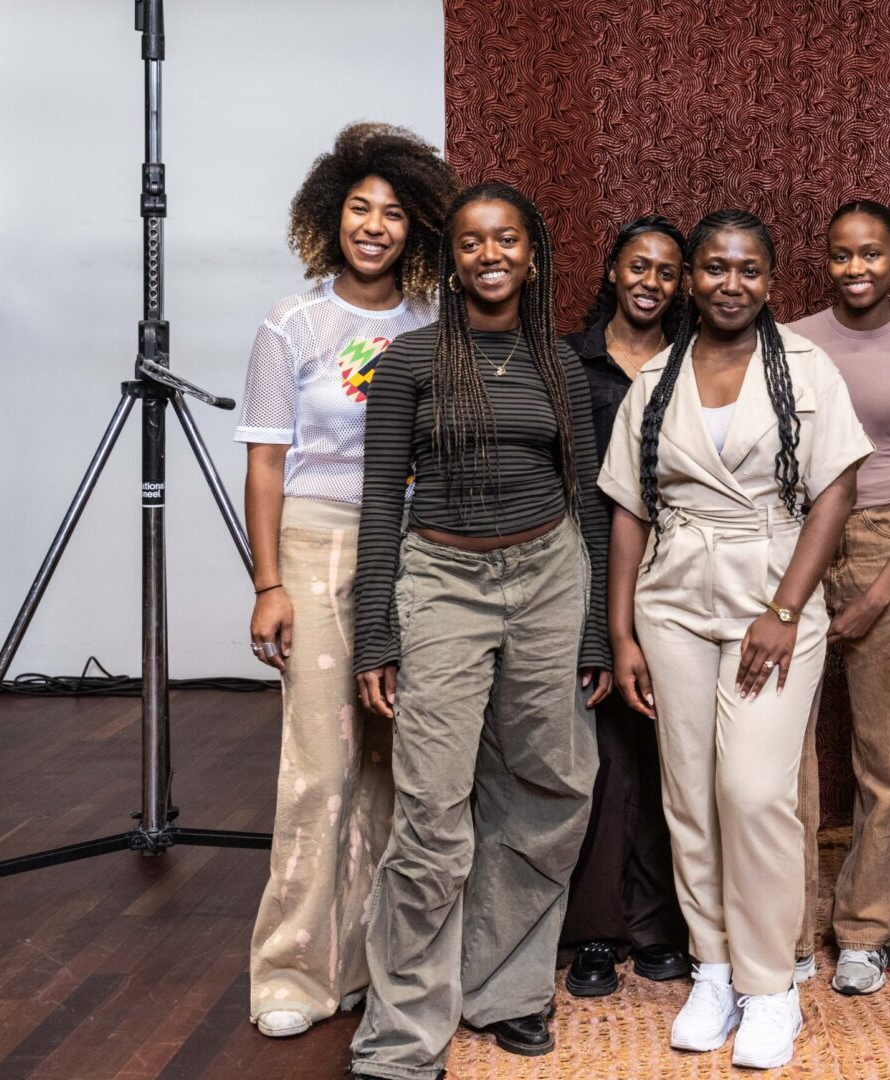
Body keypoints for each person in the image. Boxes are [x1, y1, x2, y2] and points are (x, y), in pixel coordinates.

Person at [347, 181, 610, 1078]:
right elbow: (381, 501)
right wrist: (375, 634)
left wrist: (594, 632)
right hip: (442, 581)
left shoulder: (558, 363)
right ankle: (401, 1035)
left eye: (506, 240)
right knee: (431, 807)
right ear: (451, 260)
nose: (489, 254)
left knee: (548, 785)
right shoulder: (411, 361)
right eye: (471, 242)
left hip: (548, 575)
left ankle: (505, 987)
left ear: (531, 257)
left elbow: (587, 501)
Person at [602, 209, 874, 1070]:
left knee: (753, 792)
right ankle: (713, 971)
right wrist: (621, 631)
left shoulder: (806, 367)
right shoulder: (658, 377)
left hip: (772, 587)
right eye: (714, 268)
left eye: (748, 269)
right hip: (674, 598)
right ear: (691, 279)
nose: (730, 283)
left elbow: (835, 494)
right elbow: (629, 511)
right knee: (689, 794)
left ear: (770, 280)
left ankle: (770, 987)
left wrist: (786, 610)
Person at [238, 121, 454, 1042]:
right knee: (320, 764)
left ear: (416, 229)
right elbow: (265, 463)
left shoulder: (430, 326)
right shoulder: (291, 323)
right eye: (360, 209)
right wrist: (268, 583)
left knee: (395, 764)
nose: (374, 226)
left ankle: (369, 963)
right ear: (331, 216)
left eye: (393, 214)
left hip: (410, 546)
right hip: (318, 541)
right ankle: (292, 971)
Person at [789, 200, 890, 996]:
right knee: (783, 749)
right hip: (798, 537)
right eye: (843, 254)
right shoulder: (788, 340)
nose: (857, 268)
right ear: (826, 260)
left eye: (872, 254)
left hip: (888, 540)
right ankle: (786, 928)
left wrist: (882, 592)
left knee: (884, 758)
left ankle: (864, 929)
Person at [559, 215, 692, 997]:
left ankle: (659, 924)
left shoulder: (692, 365)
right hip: (580, 572)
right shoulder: (568, 362)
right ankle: (596, 932)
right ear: (612, 270)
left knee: (664, 752)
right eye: (638, 265)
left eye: (667, 271)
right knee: (599, 757)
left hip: (674, 575)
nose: (651, 281)